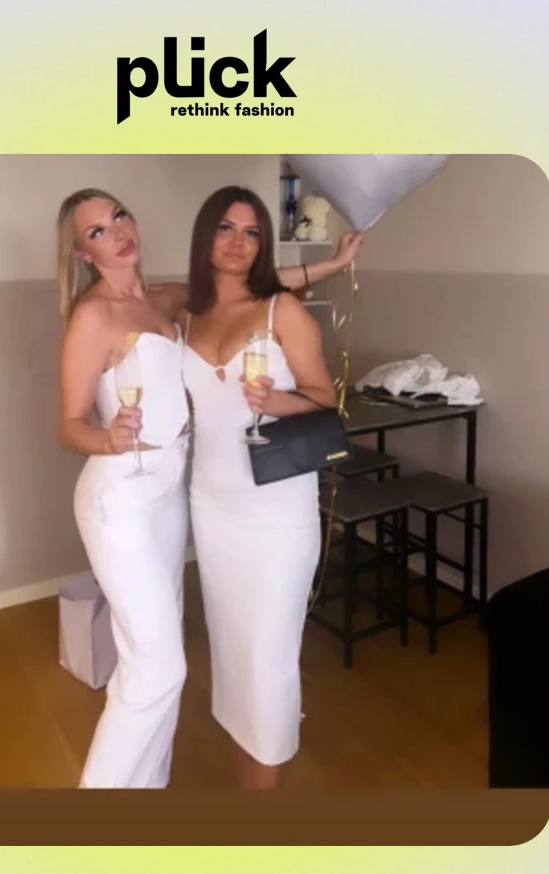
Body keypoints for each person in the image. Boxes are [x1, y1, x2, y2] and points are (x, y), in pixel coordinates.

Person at [57, 187, 360, 788]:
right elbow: (68, 424)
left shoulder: (179, 302)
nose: (117, 233)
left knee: (253, 661)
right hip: (161, 501)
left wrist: (330, 265)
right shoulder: (127, 313)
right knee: (179, 664)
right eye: (96, 232)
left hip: (222, 503)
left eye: (119, 216)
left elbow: (256, 287)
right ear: (84, 254)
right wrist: (108, 439)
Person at [179, 186, 339, 789]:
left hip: (277, 512)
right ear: (205, 235)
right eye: (225, 228)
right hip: (211, 505)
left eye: (251, 233)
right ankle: (247, 781)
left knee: (269, 661)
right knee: (234, 652)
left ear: (263, 244)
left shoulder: (282, 312)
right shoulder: (186, 314)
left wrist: (277, 401)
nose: (238, 242)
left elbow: (324, 400)